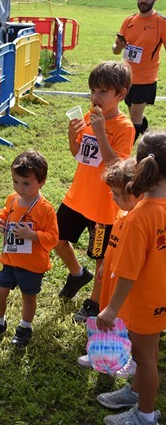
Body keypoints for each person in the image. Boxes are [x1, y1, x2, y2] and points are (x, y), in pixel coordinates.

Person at [95, 131, 166, 425]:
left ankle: (145, 417)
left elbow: (128, 273)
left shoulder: (140, 216)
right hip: (158, 297)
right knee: (149, 353)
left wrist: (111, 310)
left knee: (144, 358)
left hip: (144, 300)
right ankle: (137, 392)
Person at [55, 61, 135, 323]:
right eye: (93, 91)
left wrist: (101, 133)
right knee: (55, 236)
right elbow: (78, 154)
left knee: (101, 259)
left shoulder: (124, 127)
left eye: (102, 92)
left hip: (102, 208)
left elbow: (118, 168)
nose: (95, 97)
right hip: (77, 196)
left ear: (120, 94)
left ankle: (94, 302)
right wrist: (71, 134)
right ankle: (78, 274)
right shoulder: (89, 117)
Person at [0, 150, 58, 348]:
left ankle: (25, 327)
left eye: (26, 183)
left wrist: (33, 235)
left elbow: (54, 237)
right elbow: (5, 213)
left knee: (28, 297)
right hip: (9, 259)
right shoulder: (13, 199)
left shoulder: (45, 209)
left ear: (42, 182)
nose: (20, 188)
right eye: (16, 182)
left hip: (31, 264)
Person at [77, 158, 142, 378]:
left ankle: (128, 358)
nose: (112, 199)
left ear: (133, 192)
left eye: (115, 194)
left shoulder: (138, 219)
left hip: (126, 280)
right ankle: (101, 350)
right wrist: (104, 264)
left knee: (124, 321)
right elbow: (112, 243)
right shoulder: (122, 214)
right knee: (107, 313)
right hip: (111, 275)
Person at [112, 0, 166, 142]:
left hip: (146, 79)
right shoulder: (128, 21)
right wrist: (119, 47)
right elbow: (115, 50)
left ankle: (127, 156)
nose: (143, 1)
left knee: (135, 117)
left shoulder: (161, 23)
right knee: (135, 114)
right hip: (127, 78)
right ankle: (151, 141)